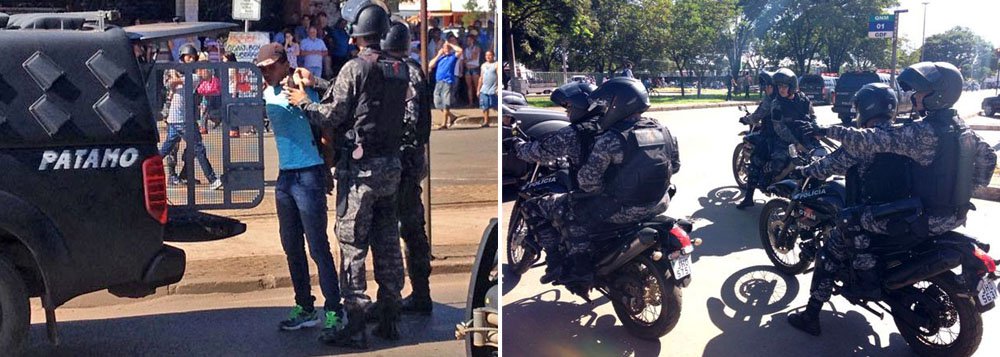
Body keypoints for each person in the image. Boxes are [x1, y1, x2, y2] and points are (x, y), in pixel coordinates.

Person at [787, 62, 998, 336]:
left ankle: (816, 312)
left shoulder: (921, 132)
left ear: (938, 94)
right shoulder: (960, 129)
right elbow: (989, 158)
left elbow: (865, 143)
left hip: (922, 216)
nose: (914, 97)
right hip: (951, 213)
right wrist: (964, 189)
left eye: (920, 92)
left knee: (842, 229)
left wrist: (824, 133)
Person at [286, 0, 409, 348]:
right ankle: (389, 318)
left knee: (352, 244)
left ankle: (355, 323)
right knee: (387, 243)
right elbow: (360, 99)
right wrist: (322, 82)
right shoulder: (399, 69)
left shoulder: (356, 67)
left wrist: (303, 102)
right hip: (391, 167)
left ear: (357, 36)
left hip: (361, 171)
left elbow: (335, 113)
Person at [505, 78, 680, 295]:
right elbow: (675, 166)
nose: (567, 112)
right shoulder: (661, 129)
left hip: (618, 208)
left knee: (537, 206)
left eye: (568, 108)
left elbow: (587, 182)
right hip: (658, 202)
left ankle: (561, 262)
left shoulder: (605, 136)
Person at [253, 43, 346, 336]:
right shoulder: (266, 93)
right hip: (285, 178)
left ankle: (334, 309)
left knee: (317, 246)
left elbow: (328, 123)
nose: (266, 73)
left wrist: (326, 167)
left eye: (270, 67)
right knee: (291, 244)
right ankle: (305, 307)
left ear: (284, 63)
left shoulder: (302, 86)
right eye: (262, 69)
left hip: (308, 175)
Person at [381, 19, 434, 316]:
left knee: (405, 229)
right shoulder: (412, 68)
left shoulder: (404, 73)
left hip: (402, 162)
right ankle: (419, 293)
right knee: (412, 228)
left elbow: (410, 119)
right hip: (412, 160)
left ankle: (415, 295)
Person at [160, 44, 223, 190]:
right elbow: (170, 85)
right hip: (179, 119)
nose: (191, 59)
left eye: (193, 57)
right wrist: (175, 73)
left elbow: (175, 82)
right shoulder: (181, 72)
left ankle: (191, 175)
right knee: (193, 148)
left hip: (182, 118)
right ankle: (212, 179)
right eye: (188, 57)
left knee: (189, 148)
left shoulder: (194, 76)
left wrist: (176, 74)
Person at [736, 71, 777, 209]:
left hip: (771, 137)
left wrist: (745, 119)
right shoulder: (793, 97)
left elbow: (756, 116)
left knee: (755, 162)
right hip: (790, 138)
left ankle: (748, 198)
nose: (765, 88)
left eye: (767, 86)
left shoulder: (771, 100)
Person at [430, 33, 463, 129]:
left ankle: (444, 123)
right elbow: (430, 65)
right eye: (445, 48)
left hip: (447, 81)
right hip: (439, 81)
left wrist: (450, 44)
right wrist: (438, 54)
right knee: (437, 102)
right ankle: (451, 116)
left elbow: (460, 50)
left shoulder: (452, 57)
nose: (447, 49)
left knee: (446, 102)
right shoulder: (440, 57)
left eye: (448, 48)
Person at [478, 50, 498, 127]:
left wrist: (498, 87)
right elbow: (481, 77)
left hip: (493, 90)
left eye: (490, 55)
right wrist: (478, 89)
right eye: (486, 55)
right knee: (484, 107)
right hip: (484, 89)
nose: (488, 57)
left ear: (493, 56)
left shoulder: (496, 64)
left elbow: (498, 76)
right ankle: (486, 122)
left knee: (495, 106)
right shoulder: (483, 65)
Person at [462, 34, 482, 108]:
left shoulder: (476, 48)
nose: (468, 41)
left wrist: (467, 60)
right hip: (468, 68)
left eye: (469, 40)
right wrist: (466, 60)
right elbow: (464, 59)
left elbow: (474, 57)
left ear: (473, 40)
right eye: (467, 40)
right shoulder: (466, 49)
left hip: (475, 68)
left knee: (477, 86)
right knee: (469, 86)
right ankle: (471, 102)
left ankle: (480, 102)